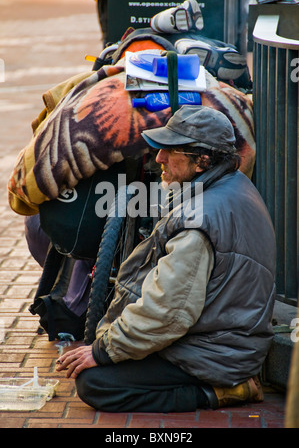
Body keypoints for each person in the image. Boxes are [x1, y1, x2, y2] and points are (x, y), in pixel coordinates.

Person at [56, 105, 276, 412]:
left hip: (218, 353)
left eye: (170, 151)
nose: (159, 158)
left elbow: (167, 313)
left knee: (95, 383)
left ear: (203, 160)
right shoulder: (233, 184)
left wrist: (104, 351)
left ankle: (227, 391)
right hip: (222, 338)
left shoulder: (200, 221)